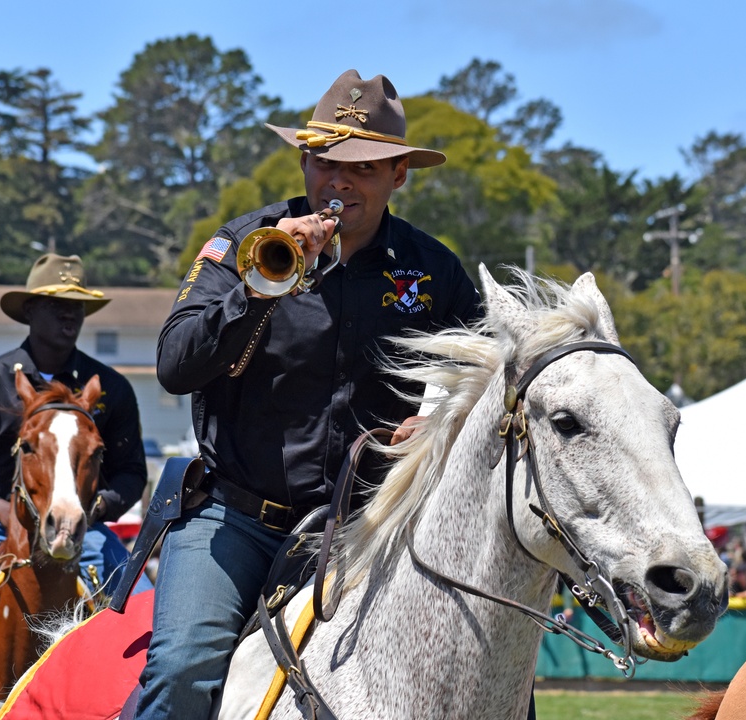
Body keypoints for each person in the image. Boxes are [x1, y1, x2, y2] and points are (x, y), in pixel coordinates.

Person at [134, 69, 484, 719]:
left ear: (399, 175)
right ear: (303, 162)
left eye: (364, 167)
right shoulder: (243, 244)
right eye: (325, 162)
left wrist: (439, 424)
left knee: (481, 679)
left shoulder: (436, 271)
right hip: (235, 519)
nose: (339, 181)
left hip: (372, 525)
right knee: (181, 671)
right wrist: (257, 288)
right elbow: (174, 365)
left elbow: (490, 377)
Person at [0, 253, 151, 715]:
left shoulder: (111, 387)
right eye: (56, 303)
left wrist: (97, 508)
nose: (68, 314)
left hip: (82, 530)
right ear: (29, 311)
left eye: (76, 305)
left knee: (148, 625)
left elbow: (133, 470)